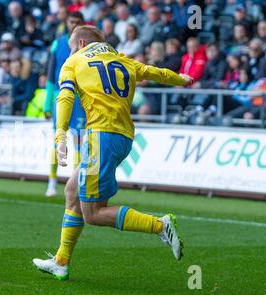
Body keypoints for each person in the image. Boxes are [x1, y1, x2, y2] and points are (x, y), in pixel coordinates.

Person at [33, 25, 193, 280]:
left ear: (81, 43)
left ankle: (160, 225)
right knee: (72, 191)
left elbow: (64, 98)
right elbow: (154, 72)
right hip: (123, 137)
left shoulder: (74, 61)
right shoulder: (122, 60)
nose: (72, 51)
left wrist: (60, 134)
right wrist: (181, 79)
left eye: (73, 47)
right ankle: (61, 261)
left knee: (93, 213)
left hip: (100, 137)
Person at [43, 11, 86, 198]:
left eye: (77, 22)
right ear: (66, 23)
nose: (73, 24)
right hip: (60, 98)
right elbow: (51, 73)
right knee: (58, 141)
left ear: (82, 24)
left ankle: (74, 183)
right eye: (71, 21)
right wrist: (46, 104)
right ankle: (52, 182)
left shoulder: (89, 47)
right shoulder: (58, 43)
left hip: (79, 100)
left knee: (78, 142)